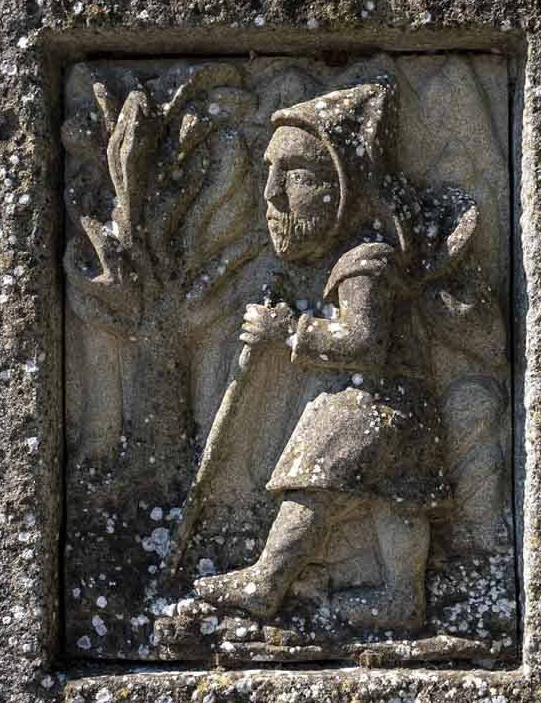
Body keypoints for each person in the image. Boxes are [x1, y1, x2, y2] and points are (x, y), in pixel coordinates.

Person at [193, 81, 457, 632]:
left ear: (345, 187)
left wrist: (290, 329)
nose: (271, 193)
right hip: (409, 409)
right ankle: (402, 599)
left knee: (312, 476)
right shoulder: (369, 256)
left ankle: (268, 580)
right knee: (399, 504)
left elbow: (363, 342)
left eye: (296, 176)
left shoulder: (365, 263)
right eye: (272, 173)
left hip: (372, 404)